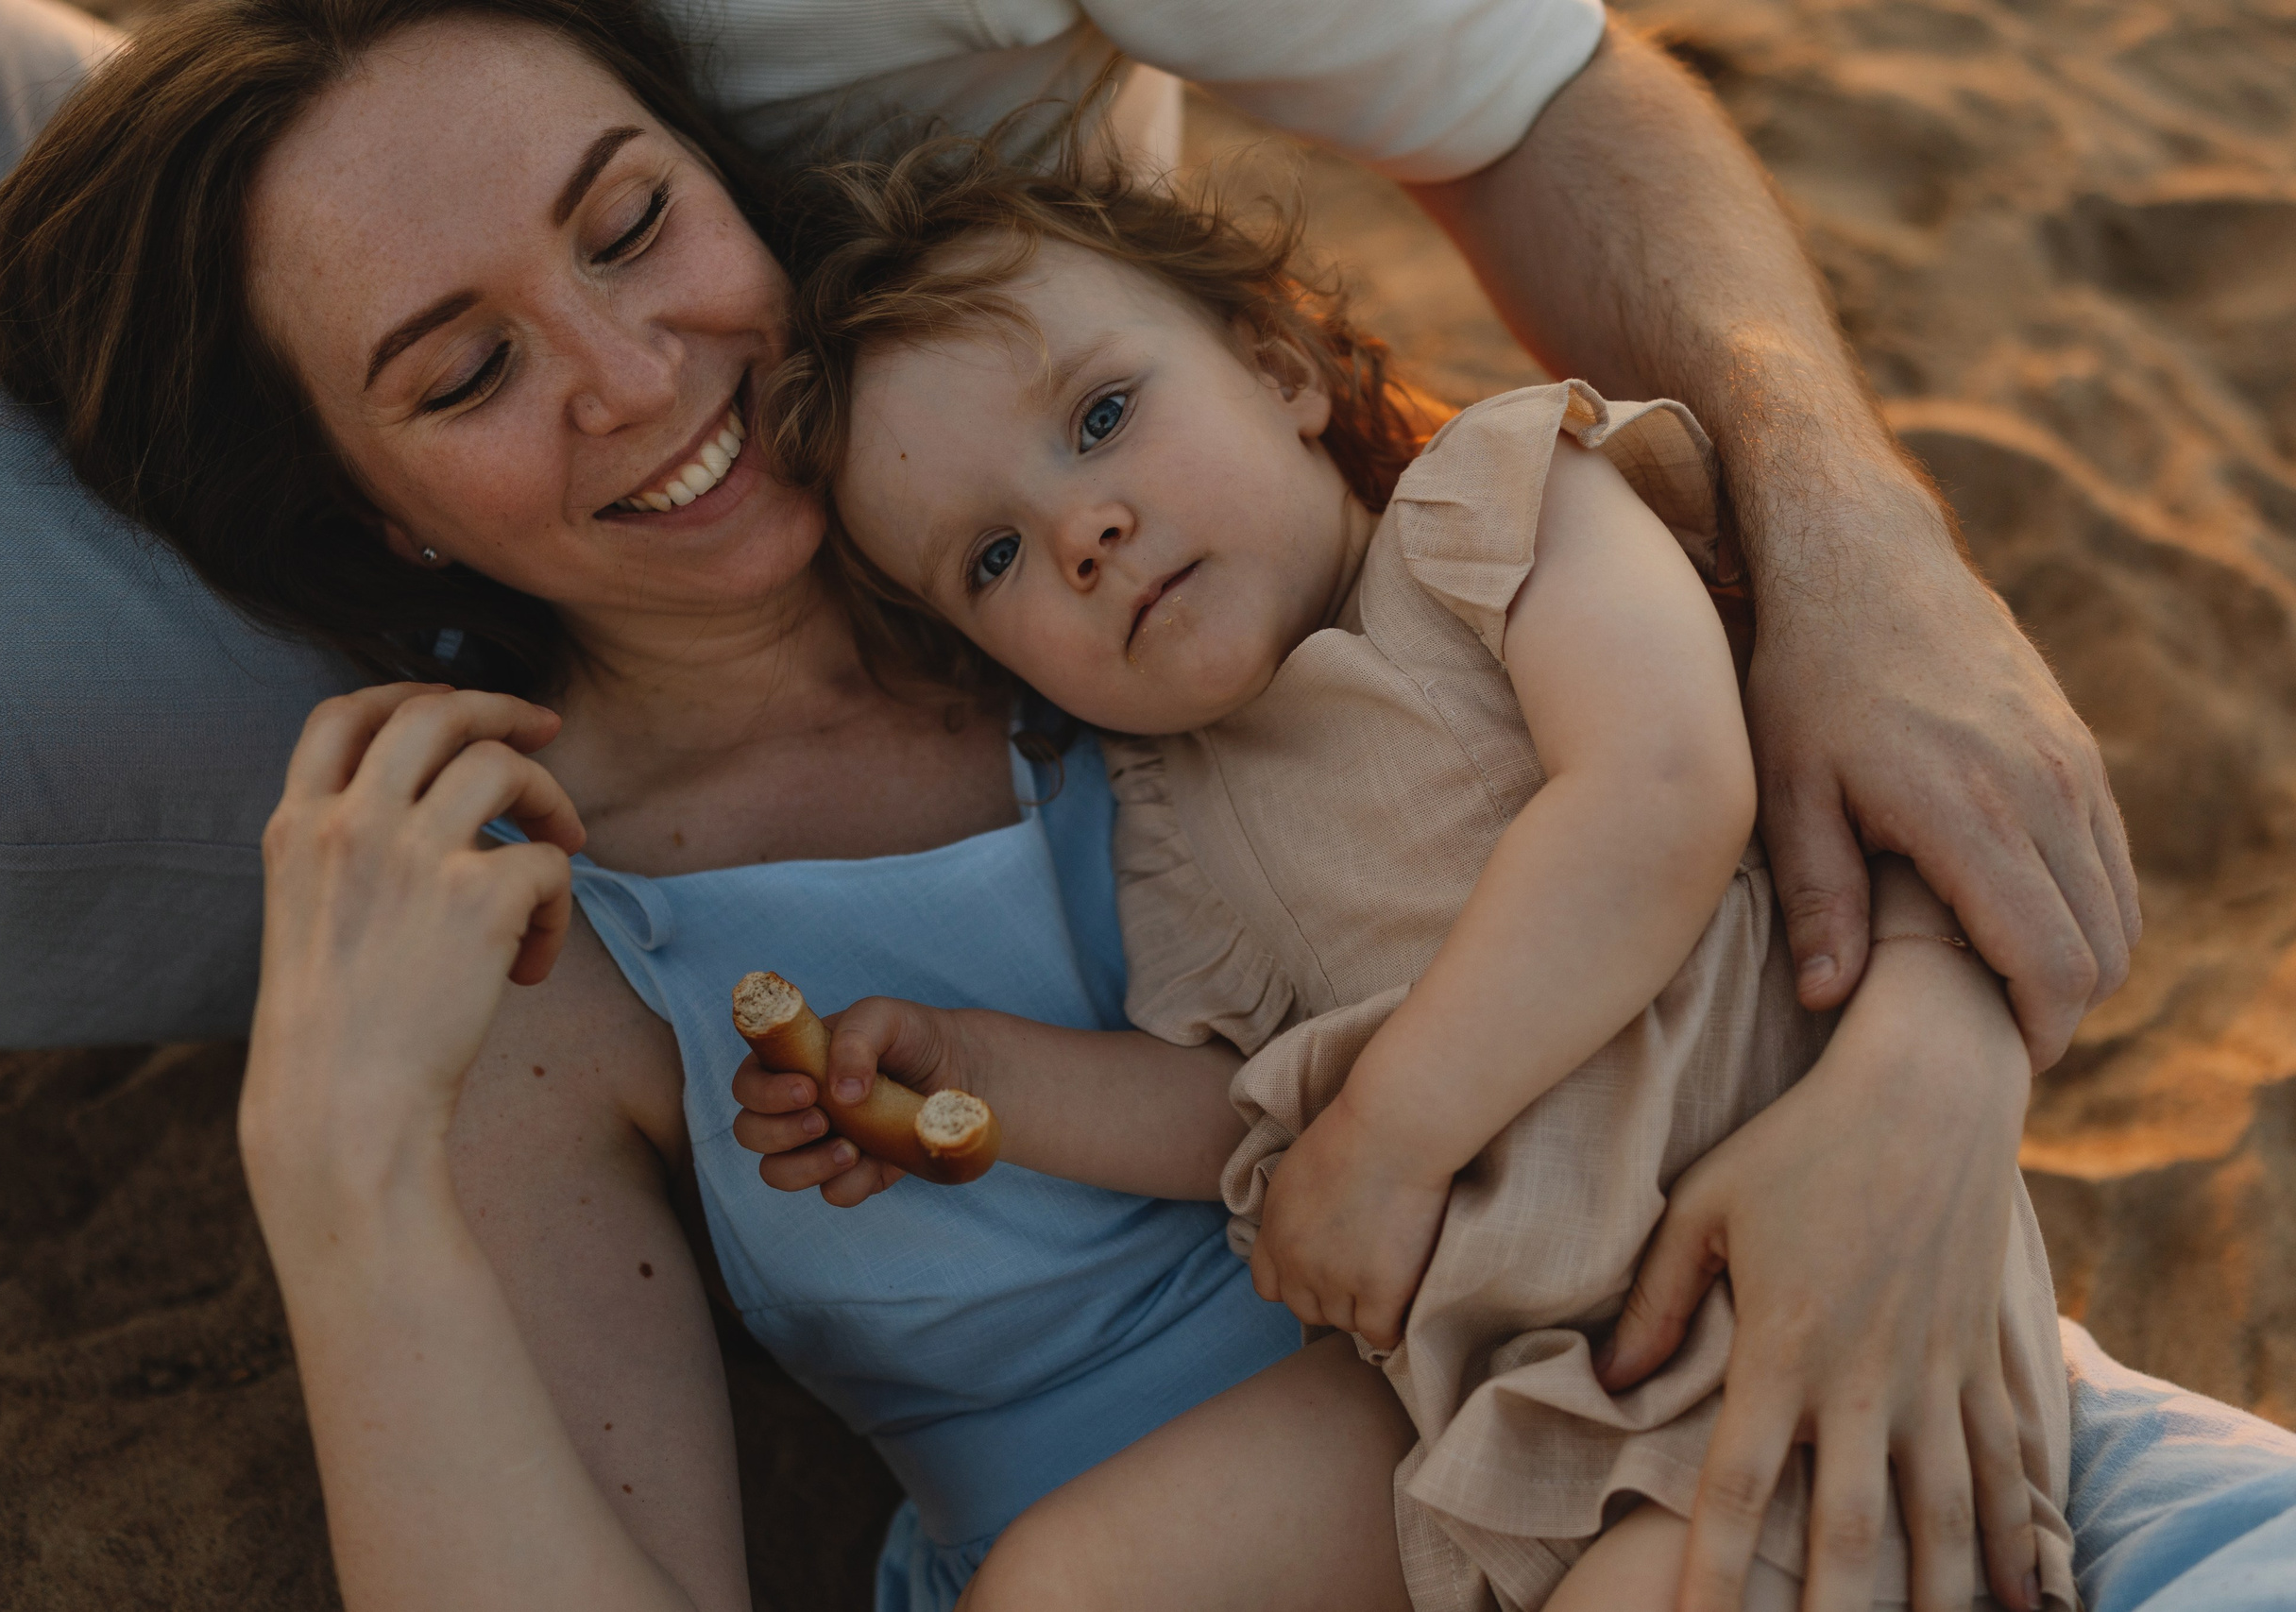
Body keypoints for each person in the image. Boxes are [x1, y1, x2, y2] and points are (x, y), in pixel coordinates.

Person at [0, 0, 2296, 1608]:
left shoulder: (1175, 542)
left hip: (1941, 1433)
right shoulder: (551, 933)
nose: (634, 377)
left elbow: (1752, 762)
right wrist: (334, 1181)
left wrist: (1915, 1083)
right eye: (465, 371)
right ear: (379, 507)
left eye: (631, 223)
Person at [734, 131, 2073, 1610]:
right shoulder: (1170, 820)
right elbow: (1251, 1110)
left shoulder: (1494, 513)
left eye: (1104, 414)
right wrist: (974, 1079)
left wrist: (1388, 1143)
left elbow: (1662, 794)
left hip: (1806, 1320)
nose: (1082, 531)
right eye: (990, 559)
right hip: (1495, 1399)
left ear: (1280, 367)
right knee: (1063, 1579)